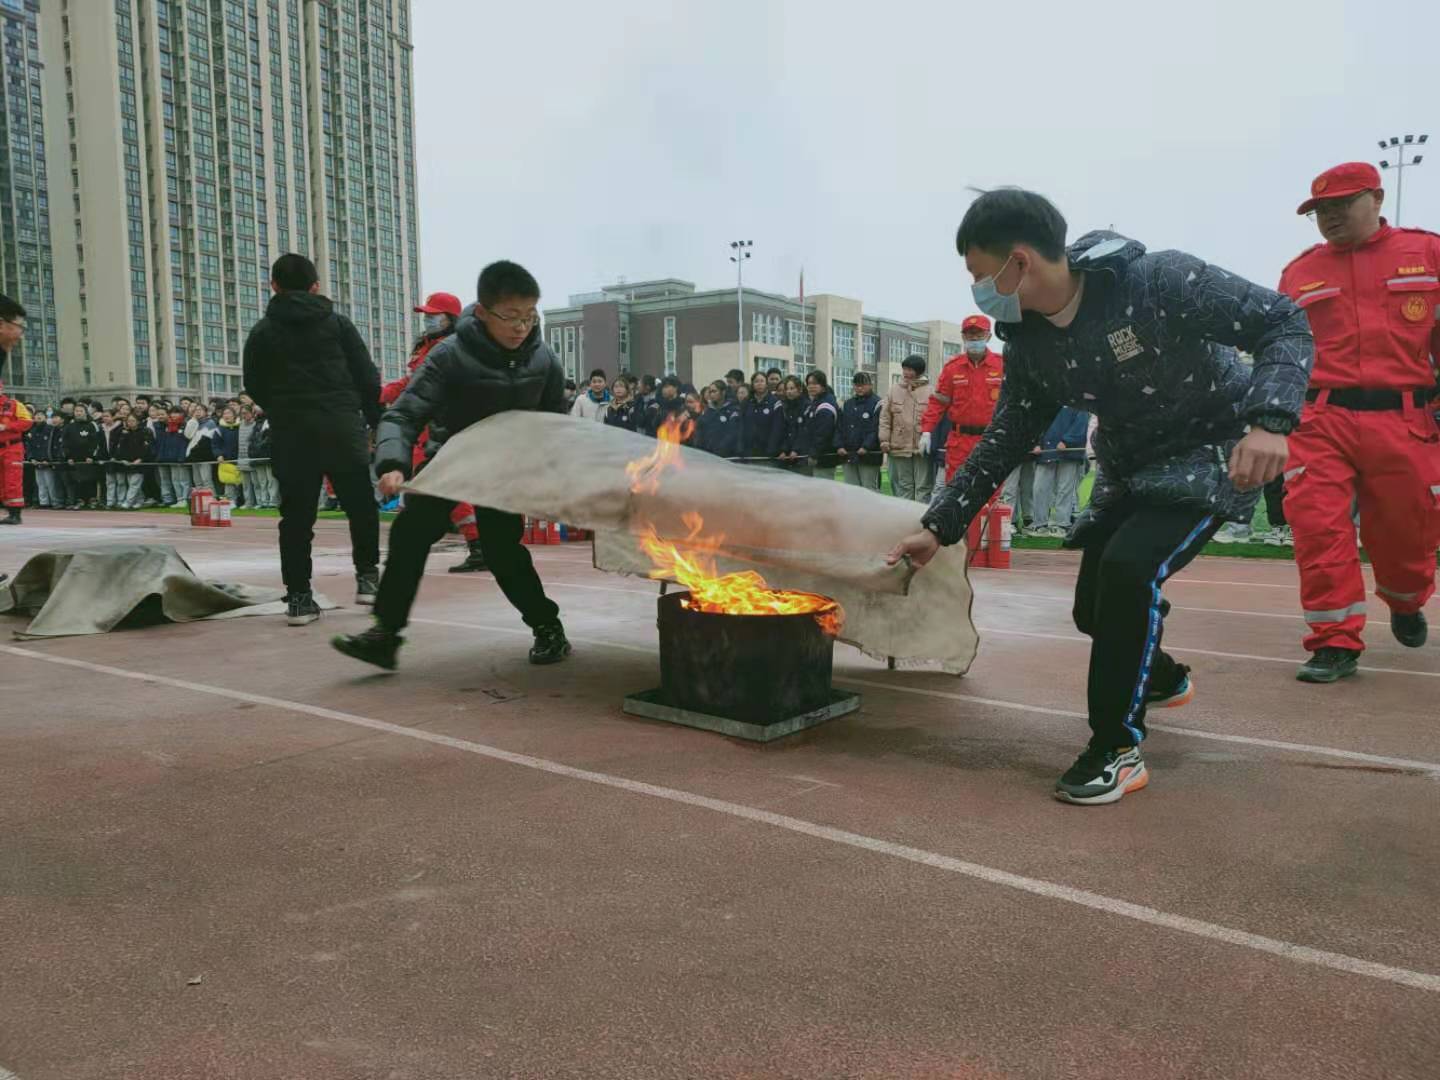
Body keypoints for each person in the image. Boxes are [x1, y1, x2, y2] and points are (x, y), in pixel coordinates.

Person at [888, 187, 1310, 806]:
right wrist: (939, 524)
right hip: (1128, 468)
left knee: (1128, 572)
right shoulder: (1029, 341)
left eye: (981, 274)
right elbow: (1005, 439)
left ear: (1021, 262)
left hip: (1209, 454)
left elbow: (1284, 320)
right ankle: (1159, 675)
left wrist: (1270, 421)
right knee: (1095, 611)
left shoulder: (1160, 281)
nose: (978, 289)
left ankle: (1114, 747)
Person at [333, 259, 571, 670]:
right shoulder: (448, 356)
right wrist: (393, 463)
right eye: (510, 316)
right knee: (410, 535)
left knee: (502, 552)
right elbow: (403, 415)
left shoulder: (544, 360)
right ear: (482, 312)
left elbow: (555, 425)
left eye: (529, 316)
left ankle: (548, 628)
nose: (521, 327)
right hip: (452, 463)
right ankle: (385, 635)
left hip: (505, 470)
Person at [1274, 162, 1440, 681]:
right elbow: (1282, 348)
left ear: (1377, 197)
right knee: (1316, 523)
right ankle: (1334, 640)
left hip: (1406, 417)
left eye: (1341, 205)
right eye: (1320, 210)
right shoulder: (1299, 272)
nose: (1330, 217)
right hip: (1321, 416)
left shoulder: (1427, 253)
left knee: (1406, 531)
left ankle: (1405, 598)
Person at [243, 252, 382, 625]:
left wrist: (280, 406)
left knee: (296, 519)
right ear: (316, 286)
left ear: (273, 286)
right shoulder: (338, 325)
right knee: (360, 505)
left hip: (291, 431)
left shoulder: (262, 331)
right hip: (340, 425)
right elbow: (367, 376)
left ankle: (300, 600)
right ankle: (368, 577)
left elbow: (252, 383)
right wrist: (373, 419)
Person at [920, 315, 1005, 488]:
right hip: (959, 441)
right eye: (969, 334)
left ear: (988, 336)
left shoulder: (1002, 365)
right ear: (963, 337)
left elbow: (1014, 402)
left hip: (990, 440)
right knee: (956, 490)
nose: (974, 338)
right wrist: (927, 430)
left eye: (978, 334)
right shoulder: (953, 367)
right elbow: (938, 402)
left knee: (989, 490)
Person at [1030, 406, 1091, 535]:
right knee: (1039, 488)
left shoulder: (1078, 398)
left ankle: (1062, 524)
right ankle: (1039, 524)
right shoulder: (1048, 398)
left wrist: (1067, 441)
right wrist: (1036, 442)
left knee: (1065, 489)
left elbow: (1082, 420)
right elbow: (1038, 421)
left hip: (1069, 453)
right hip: (1046, 450)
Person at [879, 354, 931, 501]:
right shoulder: (893, 390)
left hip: (922, 448)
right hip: (899, 446)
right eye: (905, 369)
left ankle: (922, 520)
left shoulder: (930, 391)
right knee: (904, 486)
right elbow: (885, 418)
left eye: (910, 369)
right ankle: (906, 520)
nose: (906, 373)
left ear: (919, 371)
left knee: (923, 486)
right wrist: (884, 440)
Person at [0, 295, 33, 524]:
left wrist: (6, 425)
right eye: (19, 328)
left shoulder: (14, 405)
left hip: (11, 447)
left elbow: (27, 422)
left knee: (12, 481)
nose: (21, 336)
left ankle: (14, 513)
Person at [838, 372, 883, 491]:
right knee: (851, 489)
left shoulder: (878, 403)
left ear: (870, 385)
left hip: (869, 455)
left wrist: (866, 446)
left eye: (863, 385)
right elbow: (840, 427)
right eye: (857, 385)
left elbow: (876, 428)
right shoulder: (847, 404)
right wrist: (839, 446)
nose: (859, 388)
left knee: (870, 489)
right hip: (848, 453)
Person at [62, 402, 104, 509]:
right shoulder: (69, 426)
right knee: (77, 480)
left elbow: (96, 442)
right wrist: (68, 457)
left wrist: (92, 456)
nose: (78, 413)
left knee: (90, 480)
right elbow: (65, 443)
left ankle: (92, 500)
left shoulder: (92, 425)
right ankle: (80, 500)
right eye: (76, 411)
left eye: (81, 411)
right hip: (75, 460)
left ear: (85, 412)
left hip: (89, 459)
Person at [802, 370, 841, 479]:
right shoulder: (815, 402)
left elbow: (823, 433)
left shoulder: (825, 405)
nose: (811, 386)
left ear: (823, 385)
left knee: (824, 492)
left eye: (815, 383)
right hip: (817, 456)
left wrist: (814, 454)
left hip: (824, 457)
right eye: (809, 384)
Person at [740, 371, 783, 465]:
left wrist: (772, 449)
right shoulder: (746, 402)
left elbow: (777, 428)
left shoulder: (775, 402)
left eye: (762, 381)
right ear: (752, 384)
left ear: (766, 383)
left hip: (767, 452)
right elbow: (741, 426)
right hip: (749, 452)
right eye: (756, 381)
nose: (759, 383)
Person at [114, 412, 154, 509]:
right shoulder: (125, 433)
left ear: (138, 421)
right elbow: (121, 448)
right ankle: (139, 500)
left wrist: (140, 459)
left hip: (141, 462)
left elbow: (147, 447)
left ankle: (128, 502)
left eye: (133, 421)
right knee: (133, 483)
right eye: (128, 421)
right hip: (128, 462)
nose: (130, 423)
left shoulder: (145, 431)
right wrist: (123, 459)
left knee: (134, 483)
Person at [698, 380, 740, 457]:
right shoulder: (707, 411)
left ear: (723, 392)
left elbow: (732, 434)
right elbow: (700, 432)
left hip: (726, 457)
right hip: (708, 456)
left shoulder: (732, 410)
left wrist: (720, 451)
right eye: (710, 392)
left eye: (714, 391)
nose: (711, 394)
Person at [776, 375, 809, 473]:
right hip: (787, 457)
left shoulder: (806, 406)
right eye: (787, 389)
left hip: (801, 456)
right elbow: (783, 430)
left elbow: (804, 431)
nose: (789, 391)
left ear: (799, 389)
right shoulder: (784, 407)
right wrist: (783, 450)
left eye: (792, 388)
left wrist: (796, 450)